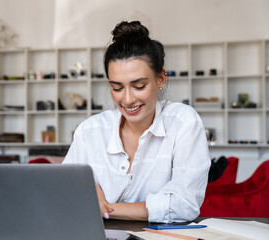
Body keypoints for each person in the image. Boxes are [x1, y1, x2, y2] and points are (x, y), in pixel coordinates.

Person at [62, 21, 211, 223]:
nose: (128, 99)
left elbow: (184, 204)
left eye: (139, 86)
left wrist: (102, 207)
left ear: (161, 79)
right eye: (117, 88)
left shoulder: (183, 122)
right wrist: (85, 188)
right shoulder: (91, 130)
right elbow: (64, 190)